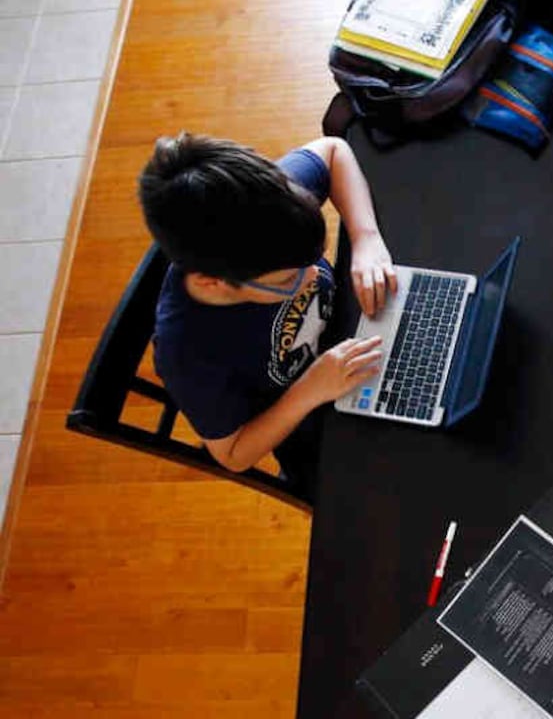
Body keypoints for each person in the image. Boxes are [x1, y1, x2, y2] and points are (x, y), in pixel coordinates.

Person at [138, 133, 398, 487]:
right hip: (310, 414)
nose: (310, 280)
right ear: (210, 282)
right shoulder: (188, 353)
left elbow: (334, 150)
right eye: (287, 280)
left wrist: (366, 238)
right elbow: (233, 454)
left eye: (313, 260)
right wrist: (312, 388)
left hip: (353, 324)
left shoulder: (262, 210)